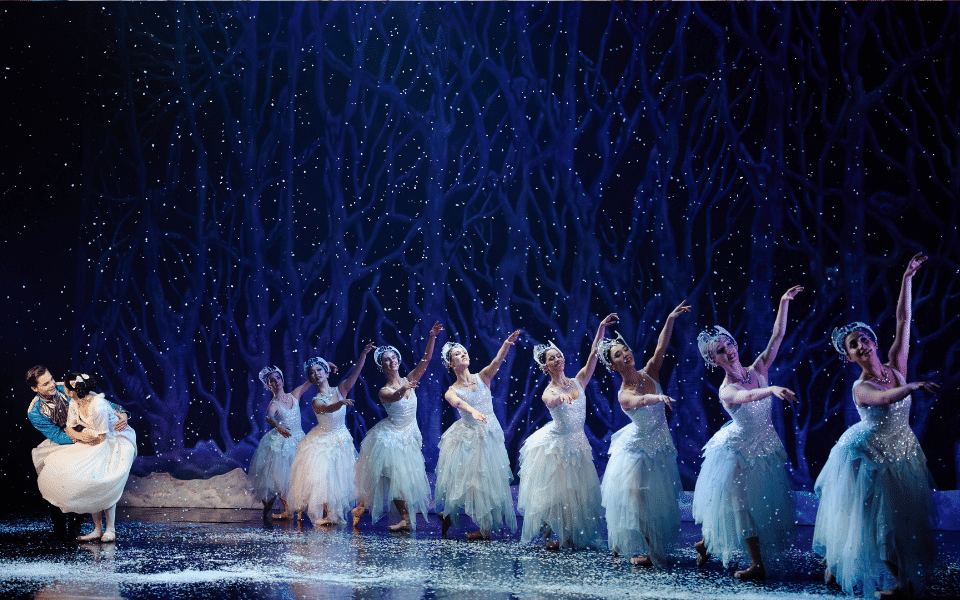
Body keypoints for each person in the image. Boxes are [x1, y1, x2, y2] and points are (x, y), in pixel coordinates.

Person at [814, 253, 938, 598]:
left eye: (864, 339)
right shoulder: (861, 387)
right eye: (854, 345)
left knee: (904, 517)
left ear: (873, 341)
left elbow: (904, 321)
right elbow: (886, 400)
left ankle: (843, 565)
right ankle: (896, 582)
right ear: (850, 356)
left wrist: (907, 278)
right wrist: (910, 386)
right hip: (868, 454)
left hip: (901, 448)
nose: (861, 345)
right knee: (877, 519)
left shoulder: (895, 365)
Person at [691, 285, 803, 579]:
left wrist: (783, 302)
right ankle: (756, 565)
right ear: (713, 360)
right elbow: (748, 398)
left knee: (758, 504)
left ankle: (704, 544)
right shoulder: (727, 390)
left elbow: (777, 337)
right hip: (737, 452)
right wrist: (771, 388)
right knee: (742, 507)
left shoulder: (758, 368)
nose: (727, 351)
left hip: (763, 446)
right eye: (719, 351)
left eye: (728, 345)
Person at [599, 301, 689, 566]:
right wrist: (656, 396)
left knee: (658, 498)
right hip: (636, 450)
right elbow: (639, 402)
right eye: (618, 355)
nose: (625, 355)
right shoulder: (624, 394)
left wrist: (670, 317)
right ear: (613, 366)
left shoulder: (650, 371)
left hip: (658, 444)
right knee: (638, 500)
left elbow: (661, 346)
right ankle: (644, 549)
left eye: (625, 350)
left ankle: (645, 548)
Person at [517, 314, 617, 550]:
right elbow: (550, 400)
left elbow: (593, 355)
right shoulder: (548, 391)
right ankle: (559, 533)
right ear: (545, 366)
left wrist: (601, 329)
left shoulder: (578, 380)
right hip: (558, 447)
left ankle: (568, 535)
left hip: (578, 443)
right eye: (552, 359)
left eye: (559, 356)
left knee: (577, 494)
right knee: (560, 494)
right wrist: (560, 397)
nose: (557, 360)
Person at [352, 322, 442, 531]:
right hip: (390, 436)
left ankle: (362, 507)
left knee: (394, 477)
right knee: (391, 475)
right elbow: (395, 396)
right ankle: (404, 518)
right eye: (386, 359)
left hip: (408, 434)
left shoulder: (409, 378)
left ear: (398, 360)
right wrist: (404, 389)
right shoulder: (384, 390)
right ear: (381, 366)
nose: (391, 361)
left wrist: (432, 337)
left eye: (393, 357)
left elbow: (426, 360)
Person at [434, 331, 521, 540]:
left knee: (486, 480)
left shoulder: (482, 377)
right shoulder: (451, 390)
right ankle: (462, 518)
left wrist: (506, 345)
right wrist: (472, 411)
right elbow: (457, 403)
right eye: (457, 354)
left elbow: (497, 362)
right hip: (466, 438)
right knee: (470, 482)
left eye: (463, 351)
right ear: (451, 364)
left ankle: (479, 526)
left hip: (488, 435)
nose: (462, 354)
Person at [26, 365, 128, 540]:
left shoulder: (67, 388)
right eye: (45, 384)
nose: (51, 385)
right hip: (64, 440)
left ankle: (79, 523)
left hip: (89, 434)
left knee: (89, 475)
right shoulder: (34, 411)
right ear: (35, 388)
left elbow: (99, 401)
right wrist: (80, 438)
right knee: (54, 474)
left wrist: (122, 412)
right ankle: (60, 525)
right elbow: (56, 435)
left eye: (51, 379)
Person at [287, 344, 373, 527]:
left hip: (340, 438)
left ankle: (352, 509)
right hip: (322, 440)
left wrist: (363, 354)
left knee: (345, 476)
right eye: (312, 372)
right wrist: (340, 403)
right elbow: (325, 408)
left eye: (319, 370)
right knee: (324, 476)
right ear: (310, 378)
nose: (316, 373)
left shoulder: (340, 389)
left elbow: (355, 374)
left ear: (327, 373)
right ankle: (329, 514)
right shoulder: (316, 399)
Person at [248, 364, 316, 520]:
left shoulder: (294, 395)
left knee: (301, 474)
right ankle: (285, 509)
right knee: (282, 477)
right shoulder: (274, 404)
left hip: (299, 439)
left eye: (278, 378)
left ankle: (299, 507)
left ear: (282, 379)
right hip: (283, 442)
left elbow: (309, 381)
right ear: (268, 385)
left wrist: (325, 366)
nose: (276, 382)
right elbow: (269, 417)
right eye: (272, 380)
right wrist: (277, 426)